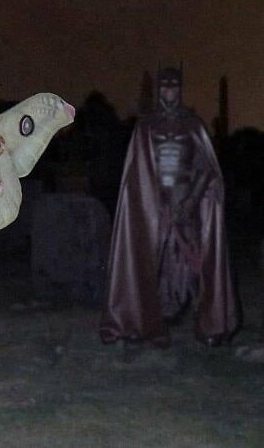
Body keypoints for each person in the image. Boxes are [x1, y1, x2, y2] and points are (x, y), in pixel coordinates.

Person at [100, 66, 240, 346]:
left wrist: (191, 200)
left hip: (187, 202)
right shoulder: (146, 126)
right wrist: (151, 203)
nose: (169, 91)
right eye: (164, 85)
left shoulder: (194, 125)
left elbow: (207, 168)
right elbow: (137, 171)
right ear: (158, 89)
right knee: (149, 261)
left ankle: (210, 324)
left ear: (180, 89)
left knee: (197, 261)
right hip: (154, 203)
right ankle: (143, 322)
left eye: (174, 85)